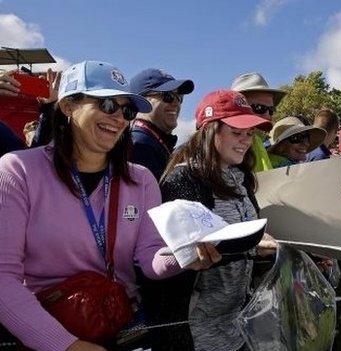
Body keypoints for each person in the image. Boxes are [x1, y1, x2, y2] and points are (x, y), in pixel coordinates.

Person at [0, 61, 217, 351]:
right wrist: (68, 346)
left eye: (126, 110)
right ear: (67, 105)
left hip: (121, 328)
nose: (118, 118)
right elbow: (3, 278)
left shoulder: (141, 181)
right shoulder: (17, 171)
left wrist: (188, 255)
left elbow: (149, 259)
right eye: (106, 105)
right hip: (47, 332)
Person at [154, 90, 277, 351]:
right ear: (210, 131)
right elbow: (182, 260)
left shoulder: (240, 177)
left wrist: (262, 247)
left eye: (250, 133)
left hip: (237, 324)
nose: (246, 141)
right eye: (236, 132)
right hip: (197, 333)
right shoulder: (183, 180)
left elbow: (244, 235)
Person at [129, 68, 194, 180]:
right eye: (167, 96)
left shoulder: (152, 142)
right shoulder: (140, 145)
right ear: (141, 101)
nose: (176, 103)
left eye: (179, 98)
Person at [231, 72, 286, 172]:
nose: (267, 115)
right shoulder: (226, 146)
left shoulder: (257, 140)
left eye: (271, 110)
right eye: (259, 108)